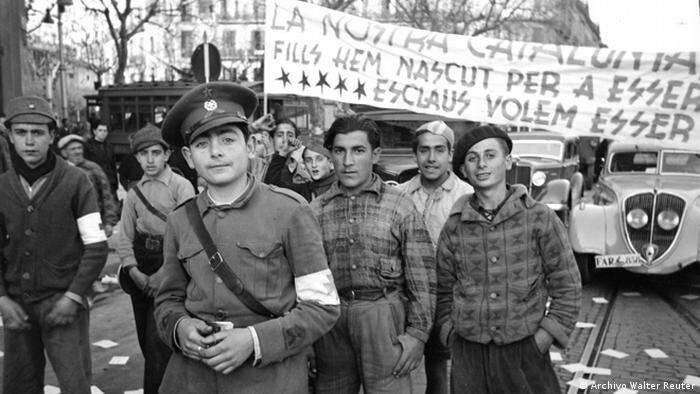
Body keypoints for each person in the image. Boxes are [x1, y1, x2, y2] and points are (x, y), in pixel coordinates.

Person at [154, 81, 340, 394]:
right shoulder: (179, 221)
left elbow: (322, 307)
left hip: (269, 380)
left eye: (227, 139)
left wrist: (254, 341)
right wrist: (180, 327)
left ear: (249, 145)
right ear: (188, 156)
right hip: (192, 381)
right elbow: (167, 301)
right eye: (202, 144)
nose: (216, 152)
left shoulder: (290, 211)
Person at [435, 125, 582, 394]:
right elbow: (442, 289)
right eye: (472, 158)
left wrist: (542, 338)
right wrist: (450, 334)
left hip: (524, 353)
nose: (481, 164)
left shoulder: (539, 218)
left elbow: (567, 286)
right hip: (469, 357)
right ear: (464, 171)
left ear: (508, 161)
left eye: (490, 155)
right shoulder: (455, 227)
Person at [310, 114, 436, 393]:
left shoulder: (400, 206)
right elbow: (305, 282)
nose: (348, 161)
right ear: (331, 154)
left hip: (385, 316)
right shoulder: (315, 211)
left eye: (358, 150)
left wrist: (417, 334)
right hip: (331, 321)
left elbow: (423, 277)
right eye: (339, 151)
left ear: (375, 154)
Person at [0, 95, 108, 394]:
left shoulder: (76, 182)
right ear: (10, 136)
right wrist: (2, 299)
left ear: (52, 136)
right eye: (21, 133)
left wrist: (73, 297)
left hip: (63, 303)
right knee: (17, 384)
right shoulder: (3, 187)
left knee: (75, 385)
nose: (29, 141)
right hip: (17, 304)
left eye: (38, 132)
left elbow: (96, 246)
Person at [116, 123, 195, 393]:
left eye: (154, 152)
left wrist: (163, 275)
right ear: (136, 158)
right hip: (141, 266)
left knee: (158, 339)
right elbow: (124, 235)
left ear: (166, 154)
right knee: (145, 340)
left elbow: (188, 237)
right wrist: (133, 271)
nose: (149, 160)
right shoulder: (135, 192)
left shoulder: (182, 187)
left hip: (171, 266)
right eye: (142, 154)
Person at [396, 120, 473, 394]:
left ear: (451, 154)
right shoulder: (399, 195)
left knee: (440, 370)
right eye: (424, 150)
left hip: (447, 296)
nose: (431, 158)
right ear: (415, 154)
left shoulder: (467, 196)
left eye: (439, 150)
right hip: (407, 296)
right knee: (397, 367)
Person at [58, 134, 120, 237]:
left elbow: (107, 195)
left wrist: (109, 222)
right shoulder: (59, 172)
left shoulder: (93, 169)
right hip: (67, 225)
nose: (77, 151)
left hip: (93, 221)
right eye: (73, 149)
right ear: (64, 153)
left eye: (79, 148)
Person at [84, 122, 119, 198]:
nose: (103, 133)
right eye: (100, 130)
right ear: (94, 131)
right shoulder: (87, 146)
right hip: (95, 180)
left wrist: (116, 183)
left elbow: (113, 165)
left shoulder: (109, 146)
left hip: (109, 180)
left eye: (105, 131)